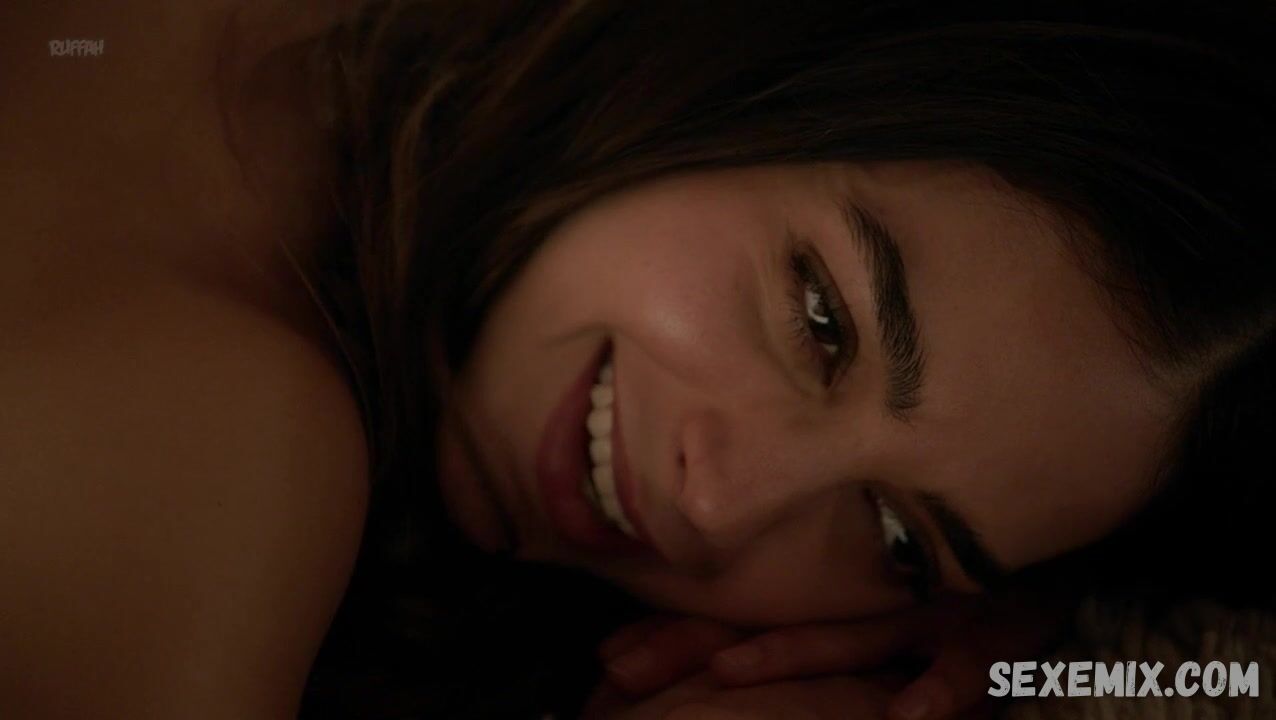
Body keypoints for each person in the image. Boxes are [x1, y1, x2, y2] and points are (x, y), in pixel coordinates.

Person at [1, 0, 1272, 718]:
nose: (722, 509)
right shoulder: (231, 461)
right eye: (820, 321)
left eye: (893, 538)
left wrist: (1066, 659)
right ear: (745, 64)